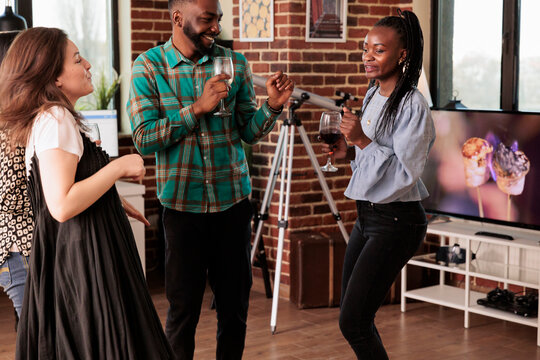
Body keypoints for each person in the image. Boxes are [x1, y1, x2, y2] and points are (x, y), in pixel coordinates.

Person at [127, 0, 294, 358]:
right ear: (177, 18)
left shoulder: (234, 63)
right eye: (207, 19)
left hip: (232, 205)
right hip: (182, 209)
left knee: (234, 311)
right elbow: (143, 137)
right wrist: (197, 109)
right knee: (182, 313)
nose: (216, 27)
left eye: (217, 19)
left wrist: (273, 106)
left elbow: (248, 130)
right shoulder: (149, 67)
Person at [0, 27, 173, 359]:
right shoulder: (56, 117)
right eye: (78, 59)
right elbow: (61, 205)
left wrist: (112, 198)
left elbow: (63, 183)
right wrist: (119, 167)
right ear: (55, 77)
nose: (89, 65)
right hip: (84, 259)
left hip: (77, 254)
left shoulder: (49, 118)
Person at [323, 10, 435, 359]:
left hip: (398, 221)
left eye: (379, 50)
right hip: (368, 217)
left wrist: (361, 141)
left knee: (353, 321)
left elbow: (404, 173)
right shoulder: (373, 94)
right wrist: (348, 150)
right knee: (352, 315)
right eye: (365, 48)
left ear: (402, 55)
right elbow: (370, 162)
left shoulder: (413, 105)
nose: (367, 56)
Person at [0, 30, 32, 329]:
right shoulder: (10, 125)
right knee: (36, 335)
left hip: (21, 247)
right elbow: (11, 197)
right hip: (19, 247)